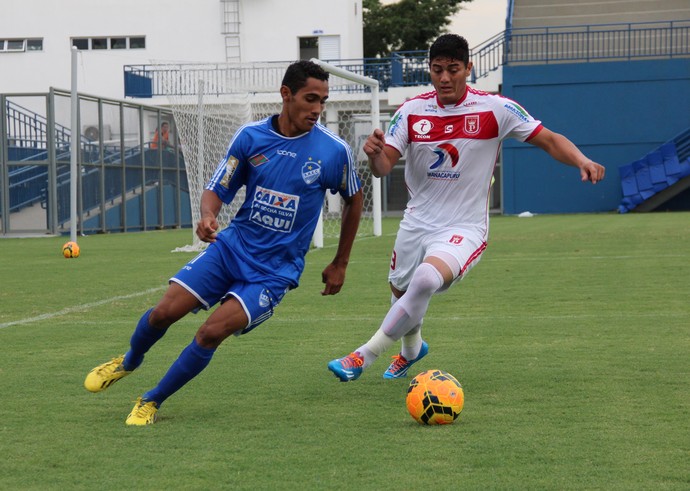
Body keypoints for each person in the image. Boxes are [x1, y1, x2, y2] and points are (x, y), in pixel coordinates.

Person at [85, 60, 364, 425]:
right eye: (310, 98)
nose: (317, 109)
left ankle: (151, 400)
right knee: (163, 312)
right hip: (232, 249)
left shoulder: (333, 151)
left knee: (210, 332)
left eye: (323, 101)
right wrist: (207, 215)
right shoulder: (251, 138)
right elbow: (218, 187)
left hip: (274, 272)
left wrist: (340, 262)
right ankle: (129, 360)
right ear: (286, 95)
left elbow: (354, 198)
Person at [327, 34, 605, 382]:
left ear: (468, 69)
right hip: (417, 222)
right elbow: (383, 169)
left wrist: (582, 159)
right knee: (401, 292)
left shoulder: (496, 109)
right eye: (437, 69)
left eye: (453, 70)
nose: (444, 78)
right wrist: (373, 155)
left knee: (426, 279)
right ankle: (413, 350)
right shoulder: (412, 112)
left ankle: (362, 356)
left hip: (464, 227)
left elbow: (548, 138)